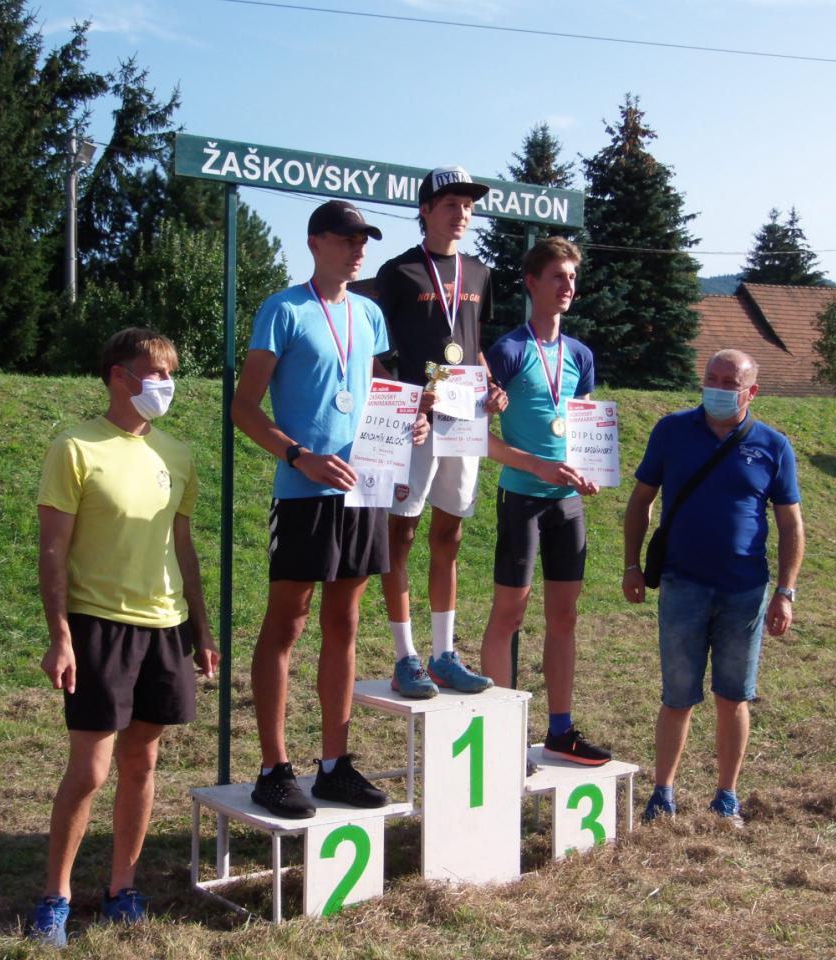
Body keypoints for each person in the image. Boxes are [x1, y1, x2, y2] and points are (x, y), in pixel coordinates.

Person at [233, 199, 429, 819]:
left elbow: (375, 391)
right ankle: (273, 768)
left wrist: (409, 422)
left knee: (344, 622)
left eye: (363, 240)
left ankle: (334, 765)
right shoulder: (283, 309)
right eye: (346, 239)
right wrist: (299, 457)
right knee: (288, 623)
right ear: (315, 242)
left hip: (362, 488)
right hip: (304, 493)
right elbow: (243, 408)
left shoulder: (369, 314)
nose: (358, 249)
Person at [31, 328, 221, 945]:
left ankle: (122, 889)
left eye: (171, 373)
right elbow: (53, 551)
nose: (167, 384)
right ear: (119, 374)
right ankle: (55, 898)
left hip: (165, 628)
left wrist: (200, 627)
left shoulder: (177, 454)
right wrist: (60, 635)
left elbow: (183, 548)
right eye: (156, 372)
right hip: (97, 625)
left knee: (142, 762)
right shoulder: (74, 447)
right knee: (90, 770)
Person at [622, 350, 803, 829]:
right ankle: (663, 794)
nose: (718, 388)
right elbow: (640, 501)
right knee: (676, 696)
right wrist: (631, 565)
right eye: (712, 378)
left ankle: (726, 796)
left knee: (733, 696)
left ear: (751, 392)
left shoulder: (773, 445)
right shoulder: (671, 431)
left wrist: (785, 592)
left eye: (730, 382)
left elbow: (791, 525)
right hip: (682, 585)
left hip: (744, 592)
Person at [373, 166, 507, 698]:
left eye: (468, 206)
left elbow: (470, 345)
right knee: (401, 533)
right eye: (451, 204)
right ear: (425, 210)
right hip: (417, 421)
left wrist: (492, 386)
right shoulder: (398, 272)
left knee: (449, 533)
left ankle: (445, 653)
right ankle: (405, 656)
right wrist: (409, 401)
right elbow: (375, 354)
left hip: (464, 414)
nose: (462, 214)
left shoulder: (479, 273)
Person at [479, 238, 612, 766]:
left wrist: (590, 468)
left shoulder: (580, 355)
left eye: (572, 277)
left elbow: (583, 426)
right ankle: (501, 734)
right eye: (557, 276)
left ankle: (560, 730)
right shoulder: (508, 351)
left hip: (567, 504)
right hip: (523, 498)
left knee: (564, 616)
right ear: (532, 283)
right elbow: (477, 437)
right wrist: (536, 465)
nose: (567, 286)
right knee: (509, 615)